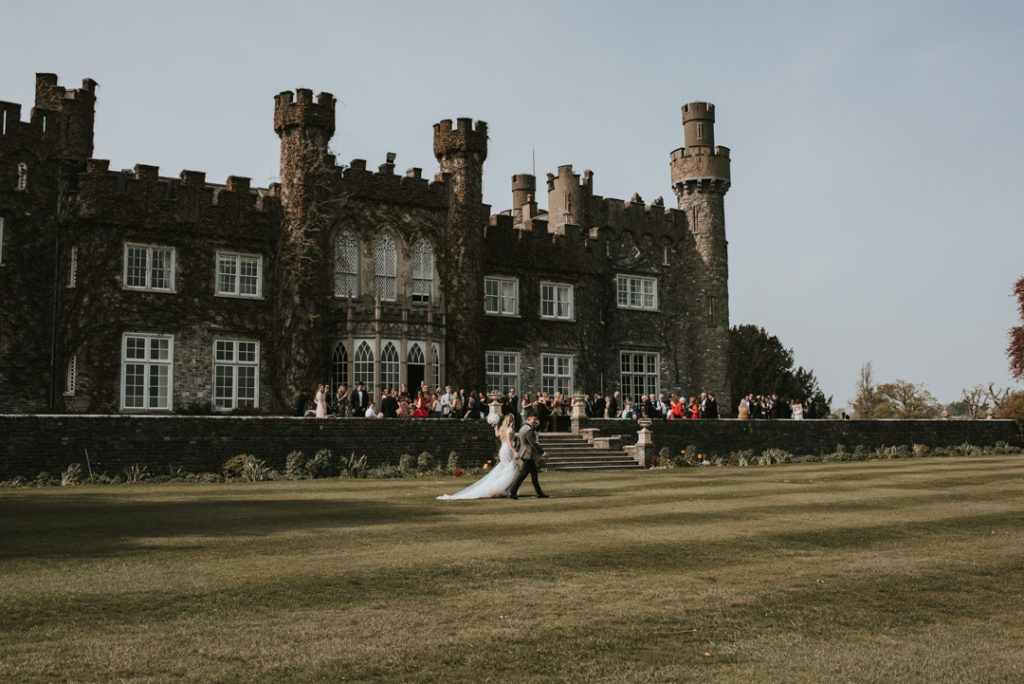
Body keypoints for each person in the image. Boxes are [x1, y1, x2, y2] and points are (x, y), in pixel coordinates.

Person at [437, 414, 521, 500]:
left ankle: (506, 490)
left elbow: (496, 435)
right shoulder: (510, 430)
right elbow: (509, 443)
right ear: (512, 420)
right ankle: (505, 490)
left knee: (505, 469)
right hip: (507, 450)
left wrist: (495, 426)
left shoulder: (503, 428)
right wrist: (515, 452)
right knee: (512, 469)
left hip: (502, 450)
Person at [509, 409, 549, 499]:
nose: (535, 421)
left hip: (524, 454)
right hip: (528, 454)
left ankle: (539, 493)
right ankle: (512, 492)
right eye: (533, 419)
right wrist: (543, 453)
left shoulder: (522, 428)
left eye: (536, 419)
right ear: (528, 419)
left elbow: (519, 442)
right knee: (523, 474)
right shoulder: (529, 430)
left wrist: (517, 452)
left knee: (534, 474)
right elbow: (533, 443)